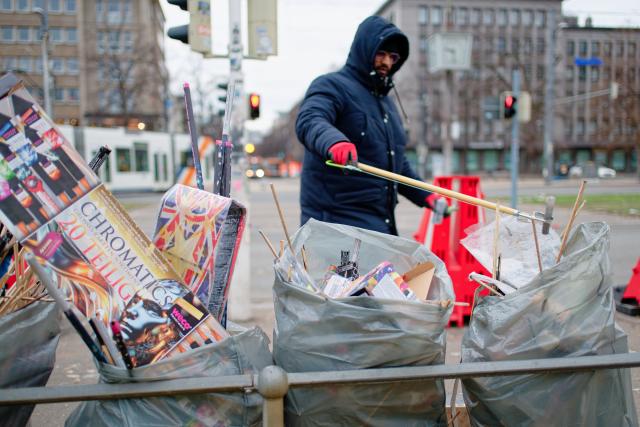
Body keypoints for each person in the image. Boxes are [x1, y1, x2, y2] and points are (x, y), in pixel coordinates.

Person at [296, 15, 444, 235]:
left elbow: (396, 164)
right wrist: (334, 141)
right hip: (335, 227)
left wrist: (425, 194)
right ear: (364, 50)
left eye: (393, 57)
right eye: (381, 54)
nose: (387, 62)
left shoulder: (387, 104)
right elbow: (310, 119)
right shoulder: (332, 85)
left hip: (379, 225)